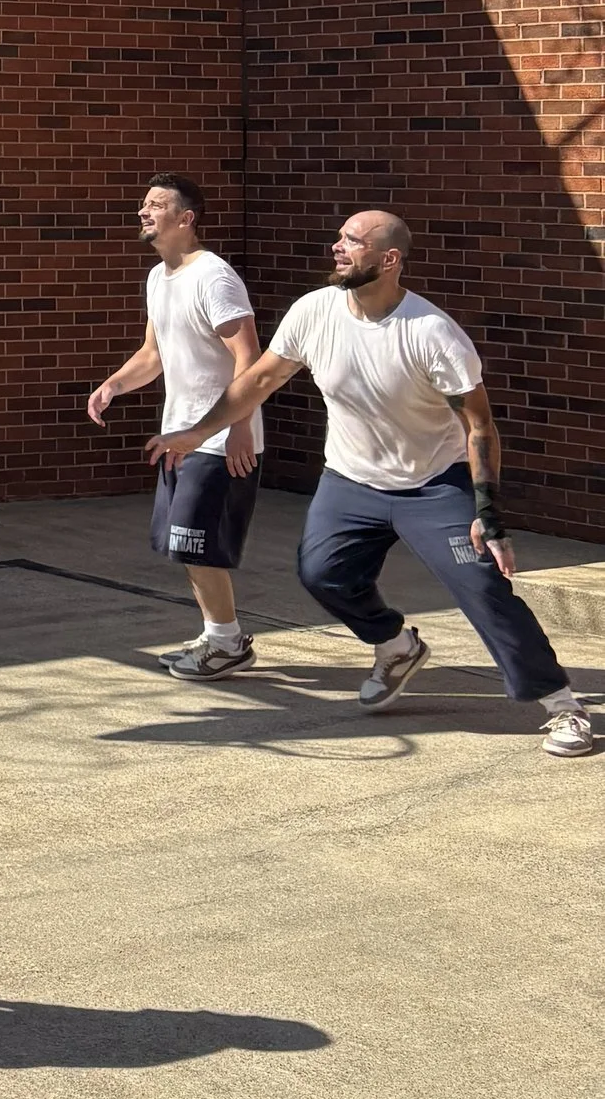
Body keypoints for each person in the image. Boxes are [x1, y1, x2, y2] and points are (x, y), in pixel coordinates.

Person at [148, 209, 597, 757]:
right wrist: (197, 434)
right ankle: (394, 646)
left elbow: (479, 425)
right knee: (323, 575)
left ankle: (561, 705)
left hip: (432, 481)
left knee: (480, 586)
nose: (338, 248)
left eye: (352, 242)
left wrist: (489, 512)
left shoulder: (431, 333)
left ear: (389, 260)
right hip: (351, 478)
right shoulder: (314, 311)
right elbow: (261, 378)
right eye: (338, 237)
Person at [86, 174, 266, 678]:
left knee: (196, 542)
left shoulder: (215, 277)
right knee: (185, 546)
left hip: (220, 439)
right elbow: (154, 353)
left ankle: (227, 642)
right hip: (179, 435)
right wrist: (114, 386)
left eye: (157, 205)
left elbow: (248, 358)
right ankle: (220, 636)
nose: (144, 212)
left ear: (186, 219)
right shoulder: (158, 277)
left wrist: (239, 429)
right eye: (143, 204)